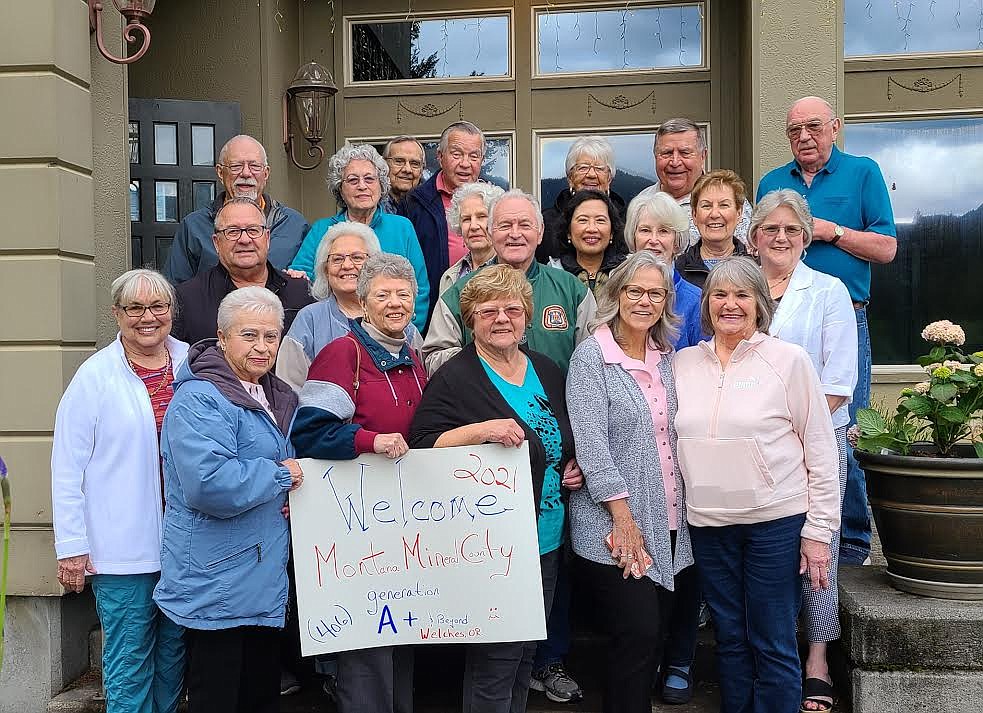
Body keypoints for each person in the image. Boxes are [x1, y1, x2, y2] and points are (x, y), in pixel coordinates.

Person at [409, 264, 584, 713]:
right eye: (488, 311)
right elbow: (422, 445)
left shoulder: (545, 369)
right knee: (496, 662)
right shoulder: (456, 377)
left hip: (545, 536)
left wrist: (570, 465)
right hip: (492, 545)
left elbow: (558, 437)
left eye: (512, 309)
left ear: (527, 315)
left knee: (526, 653)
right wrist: (479, 431)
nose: (501, 318)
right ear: (470, 321)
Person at [673, 258, 840, 713]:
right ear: (706, 307)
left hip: (775, 522)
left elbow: (820, 450)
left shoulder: (789, 361)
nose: (730, 305)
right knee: (729, 637)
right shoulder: (682, 364)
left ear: (760, 305)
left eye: (742, 295)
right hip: (708, 524)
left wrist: (819, 532)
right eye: (720, 296)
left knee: (772, 639)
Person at [757, 95, 898, 568]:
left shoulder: (863, 172)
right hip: (776, 313)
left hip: (842, 315)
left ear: (834, 127)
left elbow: (886, 248)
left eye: (813, 127)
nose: (804, 137)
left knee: (843, 434)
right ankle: (789, 539)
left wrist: (831, 231)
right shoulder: (772, 182)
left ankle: (851, 550)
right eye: (794, 130)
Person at [153, 286, 302, 713]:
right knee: (218, 697)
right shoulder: (200, 397)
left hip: (261, 575)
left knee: (256, 695)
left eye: (271, 336)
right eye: (249, 335)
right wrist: (279, 477)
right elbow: (208, 484)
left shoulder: (274, 394)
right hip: (217, 579)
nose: (262, 346)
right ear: (222, 337)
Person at [290, 254, 427, 713]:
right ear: (362, 303)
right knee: (367, 650)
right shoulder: (343, 354)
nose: (395, 303)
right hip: (357, 528)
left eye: (403, 294)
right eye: (383, 295)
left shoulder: (414, 356)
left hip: (406, 525)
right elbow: (308, 431)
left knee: (401, 639)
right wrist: (369, 440)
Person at [52, 269, 188, 713]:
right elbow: (67, 467)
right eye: (135, 308)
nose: (147, 317)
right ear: (117, 314)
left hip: (186, 544)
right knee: (130, 661)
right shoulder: (95, 376)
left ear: (172, 312)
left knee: (174, 659)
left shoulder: (193, 363)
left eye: (158, 307)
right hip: (122, 551)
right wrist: (71, 545)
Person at [565, 251, 694, 713]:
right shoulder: (591, 357)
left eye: (655, 293)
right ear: (616, 295)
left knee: (653, 635)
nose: (644, 300)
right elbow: (592, 446)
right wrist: (623, 519)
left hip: (670, 519)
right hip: (613, 525)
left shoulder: (667, 359)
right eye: (634, 290)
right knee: (636, 632)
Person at [749, 190, 858, 712]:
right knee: (764, 551)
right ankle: (765, 654)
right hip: (751, 450)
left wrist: (794, 433)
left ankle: (816, 657)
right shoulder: (738, 286)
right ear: (754, 235)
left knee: (817, 552)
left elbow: (839, 381)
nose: (781, 238)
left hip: (813, 444)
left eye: (793, 229)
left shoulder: (829, 290)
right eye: (771, 228)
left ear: (806, 236)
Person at [424, 189, 596, 375]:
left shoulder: (572, 291)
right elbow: (434, 359)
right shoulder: (460, 292)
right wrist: (485, 362)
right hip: (483, 402)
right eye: (505, 225)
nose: (515, 234)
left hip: (557, 403)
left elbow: (595, 360)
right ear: (490, 233)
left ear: (540, 233)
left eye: (524, 225)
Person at [288, 144, 429, 331]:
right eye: (353, 180)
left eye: (369, 179)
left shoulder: (402, 228)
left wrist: (404, 332)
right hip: (334, 332)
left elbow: (419, 289)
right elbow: (301, 278)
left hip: (394, 335)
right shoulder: (322, 230)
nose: (362, 186)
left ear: (381, 185)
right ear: (340, 188)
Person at [276, 222, 421, 391]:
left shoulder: (396, 317)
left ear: (374, 266)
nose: (346, 265)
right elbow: (289, 388)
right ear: (325, 269)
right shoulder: (309, 319)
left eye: (357, 257)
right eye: (337, 259)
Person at [164, 134, 309, 284]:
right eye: (236, 166)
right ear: (220, 172)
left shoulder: (294, 225)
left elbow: (314, 284)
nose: (246, 173)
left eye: (254, 166)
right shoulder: (194, 226)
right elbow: (176, 291)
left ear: (266, 174)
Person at [173, 197, 314, 345]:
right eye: (233, 231)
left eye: (253, 230)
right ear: (216, 242)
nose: (245, 240)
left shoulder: (302, 294)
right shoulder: (186, 300)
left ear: (267, 238)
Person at [398, 120, 486, 319]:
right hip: (433, 314)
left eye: (474, 156)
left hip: (487, 309)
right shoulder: (413, 204)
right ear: (440, 157)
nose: (465, 163)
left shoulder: (495, 200)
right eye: (456, 154)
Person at [635, 118, 751, 247]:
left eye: (685, 153)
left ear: (703, 156)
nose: (675, 162)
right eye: (666, 153)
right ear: (655, 156)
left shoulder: (729, 200)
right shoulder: (642, 201)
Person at [624, 190, 704, 350]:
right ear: (633, 237)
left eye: (663, 231)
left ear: (677, 241)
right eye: (645, 230)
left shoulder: (696, 300)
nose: (653, 240)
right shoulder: (616, 290)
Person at [537, 136, 627, 263]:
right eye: (583, 167)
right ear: (570, 178)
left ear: (609, 178)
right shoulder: (547, 222)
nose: (591, 175)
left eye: (599, 168)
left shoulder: (626, 221)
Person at [675, 170, 750, 290]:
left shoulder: (754, 269)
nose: (714, 214)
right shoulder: (677, 270)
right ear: (694, 215)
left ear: (739, 213)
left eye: (724, 205)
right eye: (706, 206)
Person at [550, 189, 628, 296]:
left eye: (600, 220)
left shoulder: (628, 272)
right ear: (568, 232)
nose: (592, 229)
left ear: (612, 232)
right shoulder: (552, 276)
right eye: (583, 220)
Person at [439, 182, 503, 294]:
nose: (473, 226)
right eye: (466, 219)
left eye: (481, 217)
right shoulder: (450, 277)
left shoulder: (511, 271)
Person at [383, 135, 426, 207]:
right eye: (399, 161)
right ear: (384, 165)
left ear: (422, 170)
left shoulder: (430, 204)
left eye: (414, 163)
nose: (407, 169)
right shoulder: (372, 206)